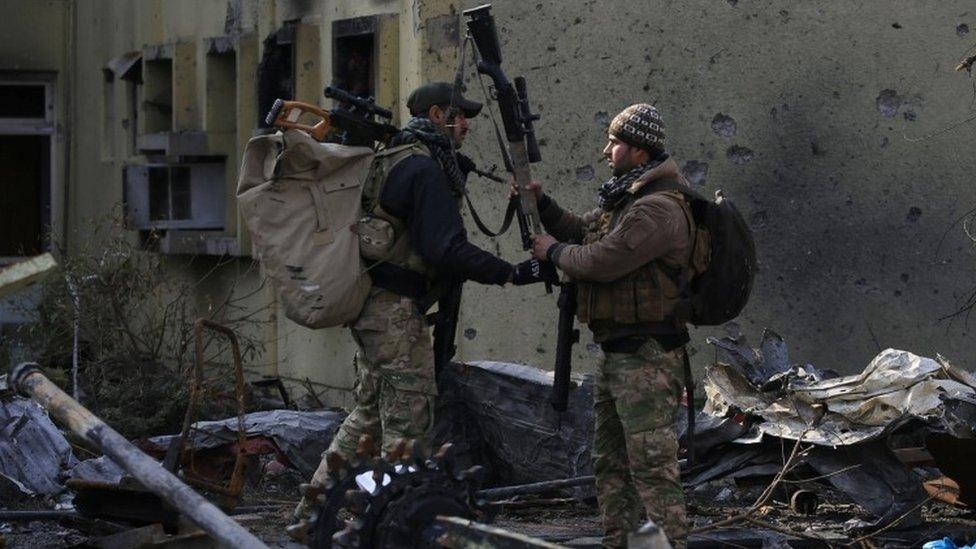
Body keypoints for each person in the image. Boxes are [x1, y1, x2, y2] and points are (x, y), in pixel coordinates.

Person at [288, 81, 553, 540]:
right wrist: (511, 272)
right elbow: (445, 247)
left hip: (374, 307)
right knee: (409, 426)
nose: (467, 123)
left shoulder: (398, 156)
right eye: (460, 115)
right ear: (436, 116)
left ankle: (311, 520)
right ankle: (394, 527)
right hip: (393, 314)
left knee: (367, 417)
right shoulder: (423, 170)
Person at [527, 103, 703, 547]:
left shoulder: (656, 210)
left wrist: (551, 253)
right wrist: (540, 204)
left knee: (652, 470)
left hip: (646, 358)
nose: (606, 150)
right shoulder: (625, 200)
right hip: (619, 355)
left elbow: (601, 261)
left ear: (639, 152)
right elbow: (579, 231)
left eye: (615, 142)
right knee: (611, 465)